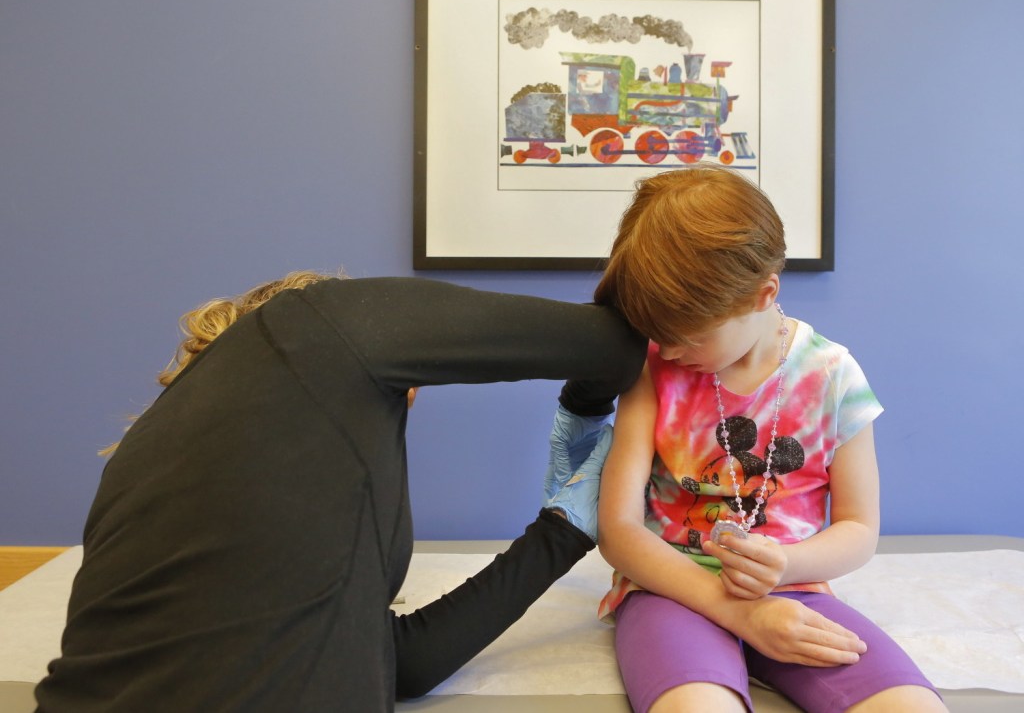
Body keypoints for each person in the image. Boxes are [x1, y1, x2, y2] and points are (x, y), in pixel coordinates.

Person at [34, 272, 646, 712]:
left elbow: (402, 662)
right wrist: (587, 415)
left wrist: (563, 530)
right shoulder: (316, 323)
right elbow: (611, 343)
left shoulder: (147, 454)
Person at [593, 166, 947, 713]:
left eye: (688, 335)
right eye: (657, 333)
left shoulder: (834, 377)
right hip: (670, 588)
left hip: (794, 588)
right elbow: (618, 531)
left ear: (764, 294)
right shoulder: (653, 371)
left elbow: (858, 528)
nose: (667, 349)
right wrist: (738, 613)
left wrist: (787, 568)